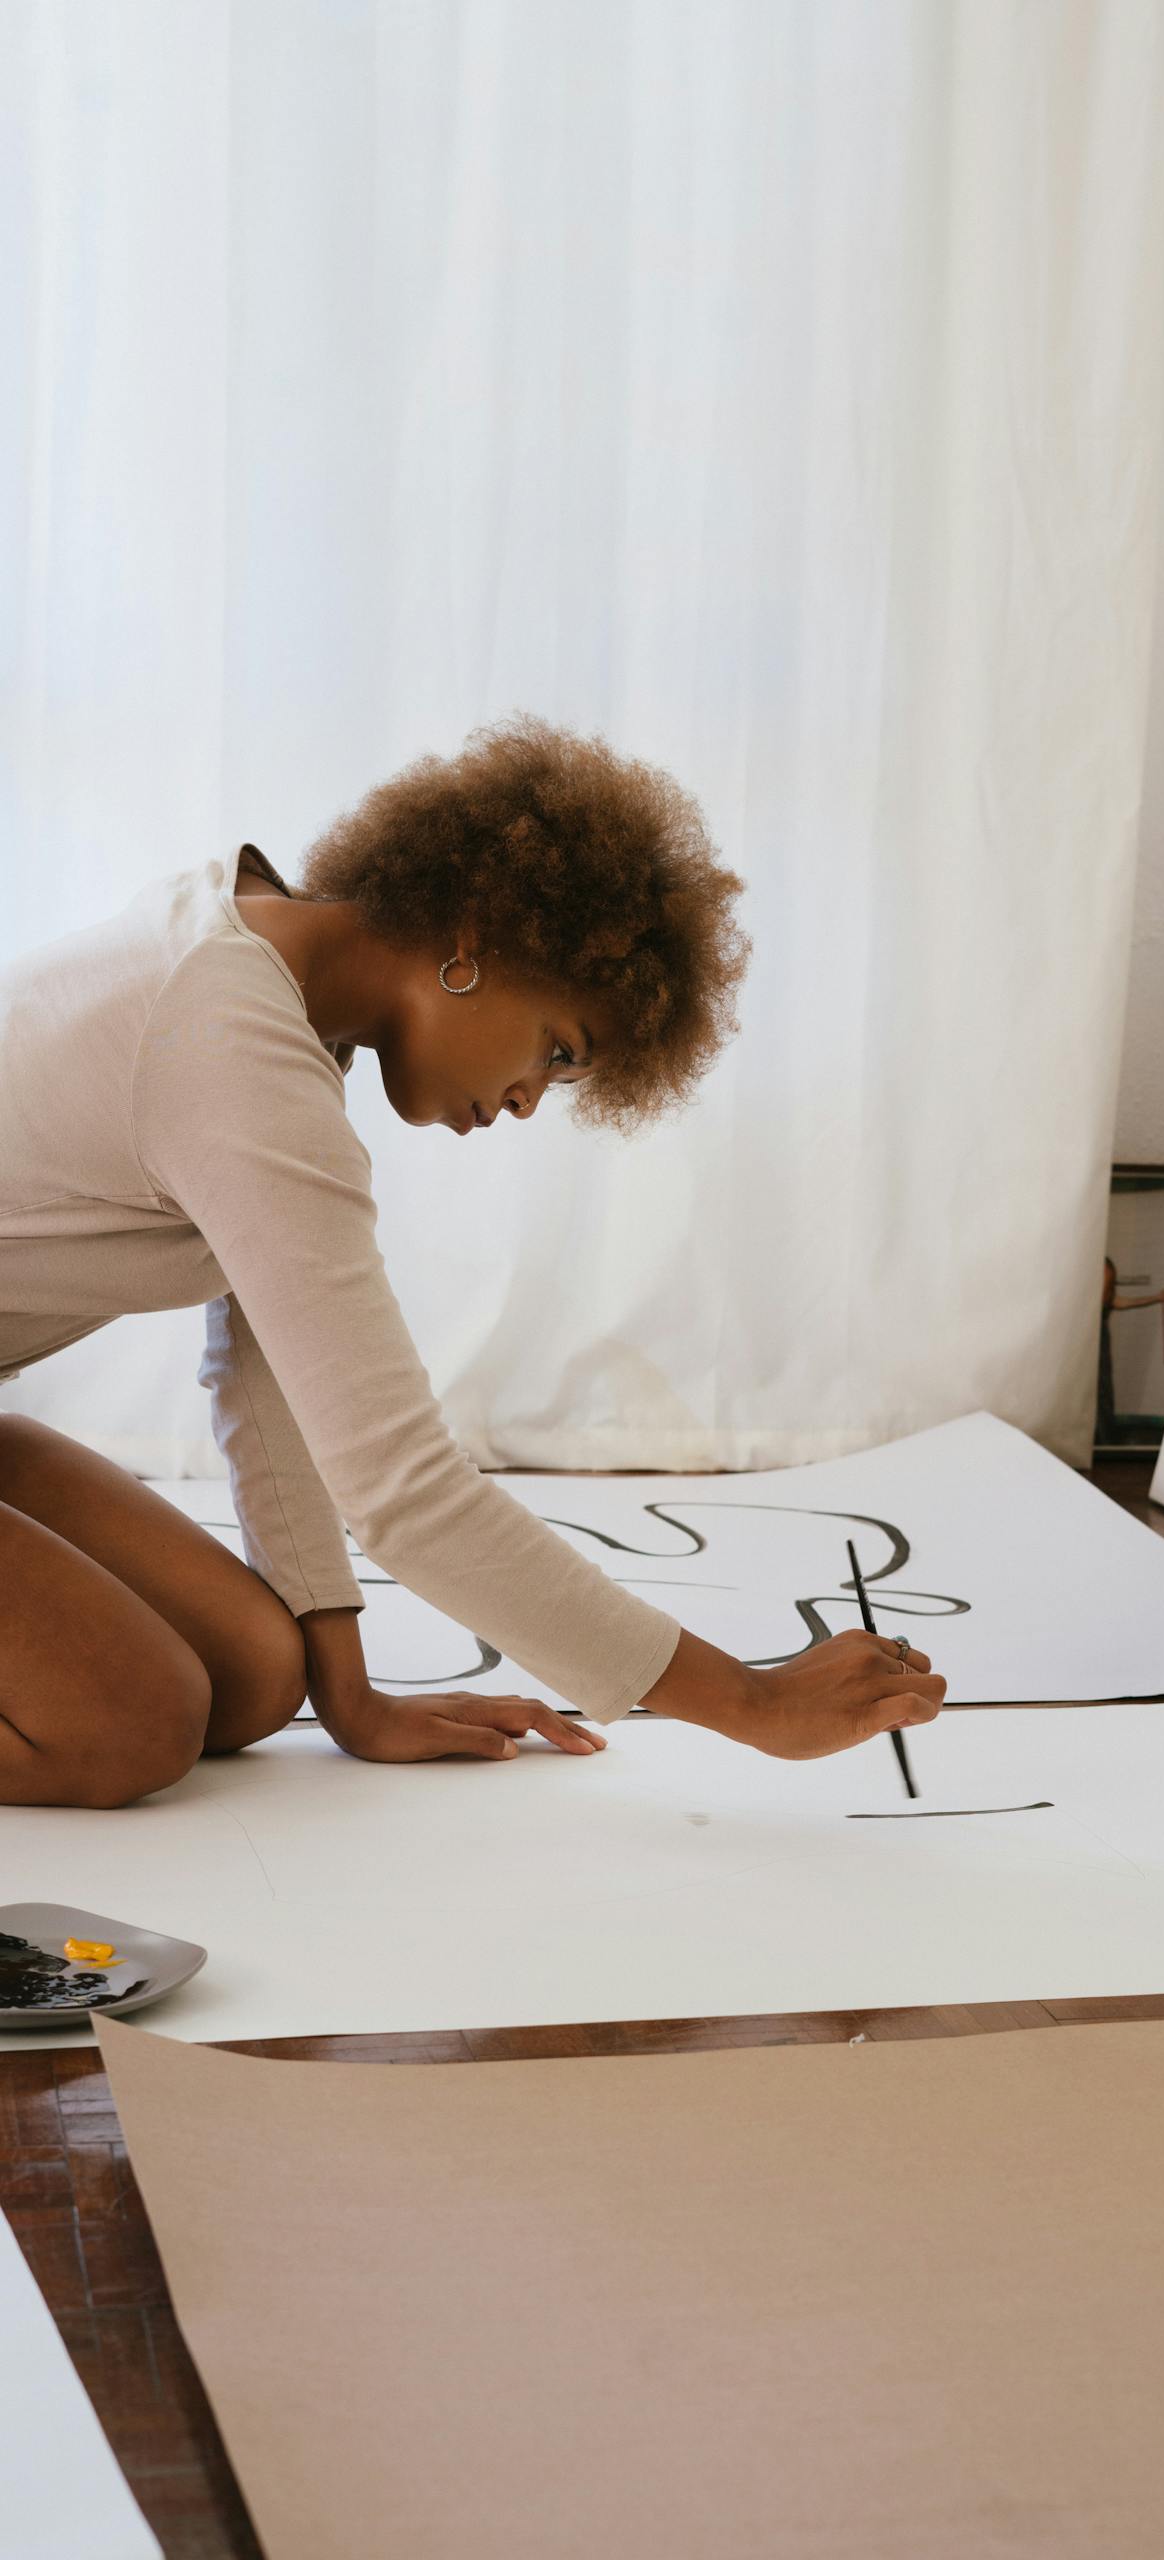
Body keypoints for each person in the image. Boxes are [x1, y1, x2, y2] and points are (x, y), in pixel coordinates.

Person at [0, 714, 944, 1809]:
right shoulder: (229, 1043)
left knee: (257, 1680)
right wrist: (748, 1701)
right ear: (475, 940)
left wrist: (348, 1696)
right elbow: (406, 1490)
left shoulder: (272, 970)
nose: (530, 1098)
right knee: (135, 1725)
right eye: (557, 1047)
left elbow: (271, 1375)